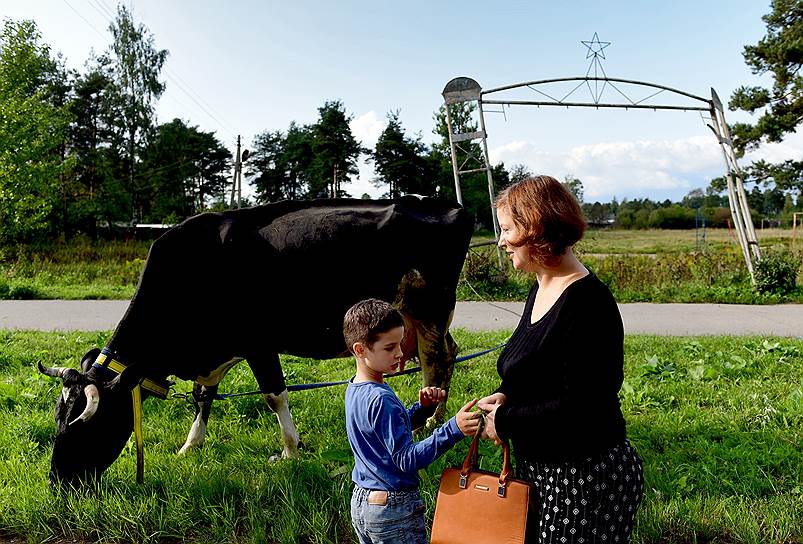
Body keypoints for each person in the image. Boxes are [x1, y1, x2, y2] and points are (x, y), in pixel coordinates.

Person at [477, 175, 644, 543]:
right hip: (543, 472)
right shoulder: (542, 285)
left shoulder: (588, 304)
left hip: (585, 479)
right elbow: (536, 367)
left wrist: (505, 420)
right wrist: (506, 394)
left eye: (507, 230)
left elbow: (584, 404)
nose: (502, 241)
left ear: (536, 229)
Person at [343, 298, 481, 544]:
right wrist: (453, 429)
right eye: (389, 348)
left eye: (401, 343)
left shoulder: (354, 389)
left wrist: (422, 410)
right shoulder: (381, 399)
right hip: (392, 511)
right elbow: (405, 459)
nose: (400, 353)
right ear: (360, 350)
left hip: (363, 503)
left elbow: (381, 434)